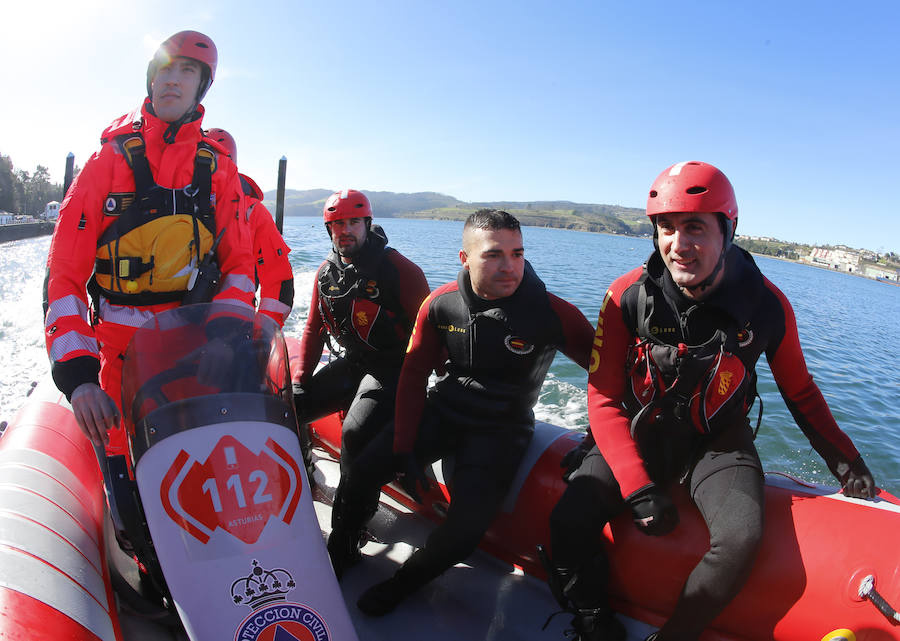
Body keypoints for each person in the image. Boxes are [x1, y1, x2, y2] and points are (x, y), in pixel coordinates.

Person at [547, 160, 877, 641]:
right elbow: (601, 396)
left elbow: (801, 392)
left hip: (717, 443)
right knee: (567, 518)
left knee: (742, 539)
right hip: (639, 434)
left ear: (729, 230)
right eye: (666, 227)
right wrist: (638, 488)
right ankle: (594, 616)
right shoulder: (626, 296)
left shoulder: (767, 306)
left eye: (695, 227)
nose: (678, 245)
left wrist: (849, 466)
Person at [334, 209, 595, 616]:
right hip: (446, 407)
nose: (509, 266)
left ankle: (405, 582)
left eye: (517, 252)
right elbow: (415, 372)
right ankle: (342, 546)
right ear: (465, 258)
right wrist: (404, 448)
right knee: (364, 468)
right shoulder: (441, 304)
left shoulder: (551, 312)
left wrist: (596, 436)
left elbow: (606, 375)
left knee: (465, 532)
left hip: (502, 428)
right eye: (493, 255)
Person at [43, 31, 254, 453]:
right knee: (129, 486)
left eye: (187, 70)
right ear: (150, 80)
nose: (172, 79)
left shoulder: (220, 171)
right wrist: (79, 380)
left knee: (203, 471)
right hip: (119, 361)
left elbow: (240, 270)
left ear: (201, 86)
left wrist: (223, 339)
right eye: (164, 69)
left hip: (194, 354)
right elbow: (63, 277)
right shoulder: (107, 163)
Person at [293, 189, 430, 574]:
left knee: (355, 434)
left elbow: (429, 337)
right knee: (292, 407)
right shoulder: (326, 272)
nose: (344, 231)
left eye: (352, 222)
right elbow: (313, 330)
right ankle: (304, 475)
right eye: (336, 224)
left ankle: (348, 534)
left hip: (391, 369)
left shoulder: (401, 270)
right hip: (354, 362)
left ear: (367, 224)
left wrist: (419, 391)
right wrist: (301, 380)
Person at [205, 127, 294, 326]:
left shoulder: (253, 212)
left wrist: (264, 330)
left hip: (231, 326)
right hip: (180, 322)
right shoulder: (176, 201)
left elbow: (278, 279)